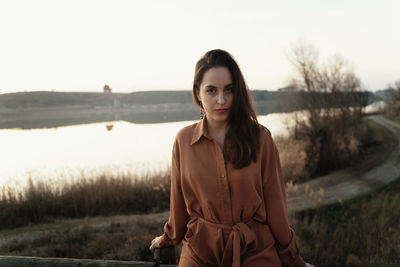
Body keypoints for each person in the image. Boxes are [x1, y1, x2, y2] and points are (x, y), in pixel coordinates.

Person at [149, 49, 314, 267]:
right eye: (211, 90)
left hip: (254, 248)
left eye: (229, 89)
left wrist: (294, 260)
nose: (221, 99)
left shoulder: (261, 139)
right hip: (200, 249)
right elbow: (178, 204)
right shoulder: (183, 141)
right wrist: (168, 238)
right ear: (198, 94)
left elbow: (276, 210)